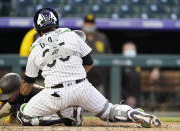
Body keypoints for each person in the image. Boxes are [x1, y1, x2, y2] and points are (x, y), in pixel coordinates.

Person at [17, 8, 161, 128]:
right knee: (108, 111)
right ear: (56, 23)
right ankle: (133, 114)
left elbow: (28, 83)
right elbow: (89, 63)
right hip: (83, 87)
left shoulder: (35, 48)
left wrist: (21, 99)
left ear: (37, 28)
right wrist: (73, 76)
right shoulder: (72, 35)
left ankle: (65, 119)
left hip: (56, 93)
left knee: (24, 116)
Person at [0, 73, 83, 126]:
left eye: (8, 95)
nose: (6, 97)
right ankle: (14, 112)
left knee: (27, 116)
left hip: (38, 106)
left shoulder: (35, 92)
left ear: (19, 89)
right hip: (17, 106)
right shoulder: (5, 89)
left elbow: (55, 102)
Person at [82, 13, 112, 95]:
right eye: (87, 23)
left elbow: (109, 55)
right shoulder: (79, 36)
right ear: (83, 24)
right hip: (82, 78)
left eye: (91, 23)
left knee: (99, 104)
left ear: (94, 24)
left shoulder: (101, 37)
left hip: (100, 78)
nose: (89, 25)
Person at [121, 42, 141, 108]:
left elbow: (153, 62)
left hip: (139, 96)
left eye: (132, 50)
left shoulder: (140, 62)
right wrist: (128, 97)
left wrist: (156, 68)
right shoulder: (120, 66)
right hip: (122, 98)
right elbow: (118, 86)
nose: (129, 52)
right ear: (123, 52)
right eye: (127, 50)